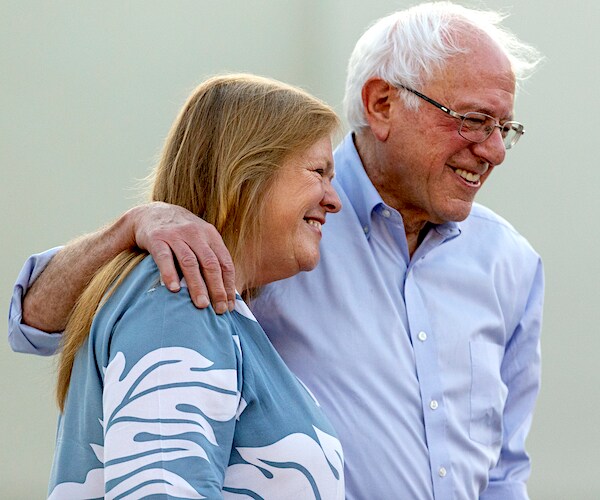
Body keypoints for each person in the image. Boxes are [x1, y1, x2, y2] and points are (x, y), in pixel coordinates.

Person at [9, 2, 544, 499]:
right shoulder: (266, 241)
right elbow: (33, 323)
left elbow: (503, 472)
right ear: (382, 104)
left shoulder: (510, 263)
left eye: (506, 128)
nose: (494, 149)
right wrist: (132, 227)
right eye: (473, 120)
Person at [25, 74, 346, 499]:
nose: (333, 199)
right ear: (247, 173)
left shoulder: (206, 305)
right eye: (318, 172)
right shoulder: (179, 296)